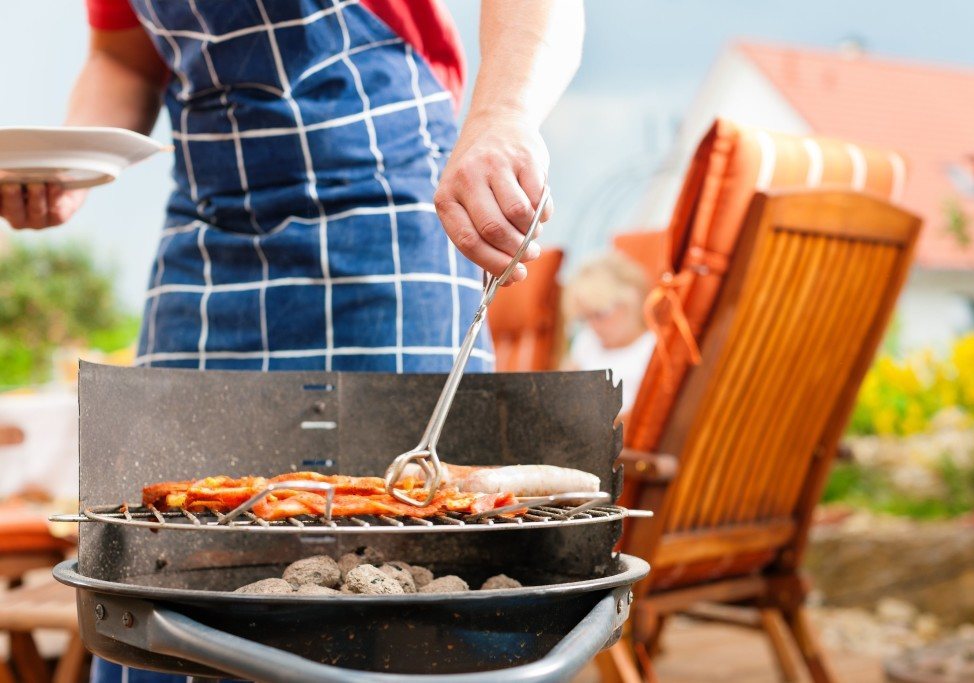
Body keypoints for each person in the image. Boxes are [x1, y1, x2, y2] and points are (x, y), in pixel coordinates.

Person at [0, 0, 583, 680]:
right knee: (154, 558)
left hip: (390, 210)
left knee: (417, 554)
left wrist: (502, 118)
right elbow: (122, 56)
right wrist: (76, 159)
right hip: (210, 237)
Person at [561, 252, 655, 414]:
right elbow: (560, 390)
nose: (593, 326)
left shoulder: (651, 349)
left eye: (600, 314)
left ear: (630, 302)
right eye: (585, 318)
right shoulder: (587, 340)